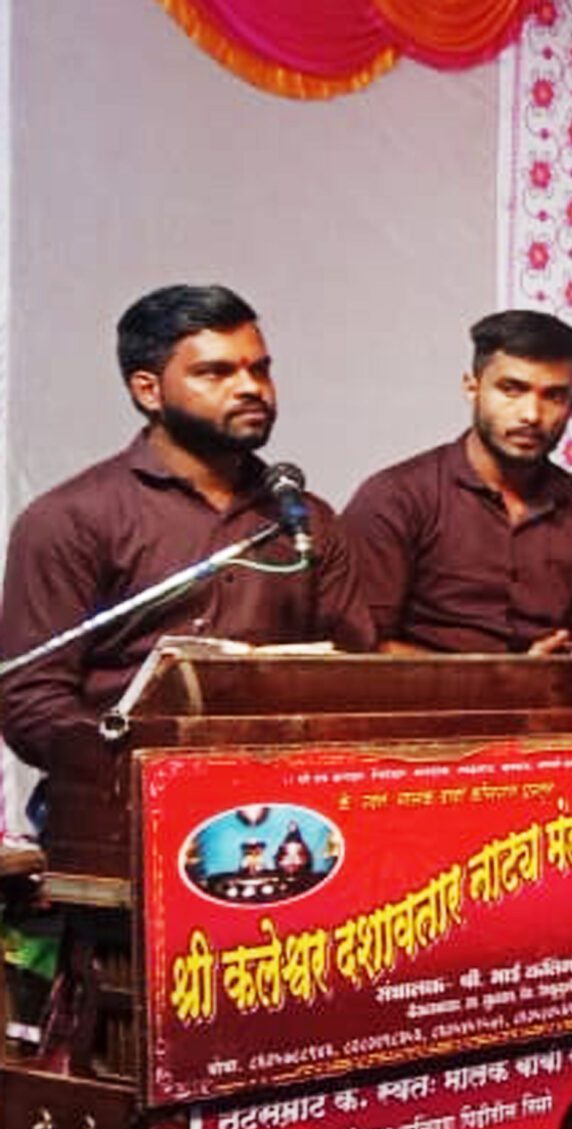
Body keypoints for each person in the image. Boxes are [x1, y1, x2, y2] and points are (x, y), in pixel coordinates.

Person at [0, 285, 372, 856]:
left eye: (259, 369)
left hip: (290, 818)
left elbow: (357, 679)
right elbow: (30, 698)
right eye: (215, 372)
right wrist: (147, 767)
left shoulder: (306, 521)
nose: (250, 387)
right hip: (117, 823)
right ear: (148, 390)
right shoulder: (73, 518)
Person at [341, 310, 572, 655]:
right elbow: (361, 650)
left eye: (553, 396)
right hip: (422, 692)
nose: (531, 414)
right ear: (472, 387)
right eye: (511, 390)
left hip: (547, 690)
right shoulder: (395, 499)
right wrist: (506, 678)